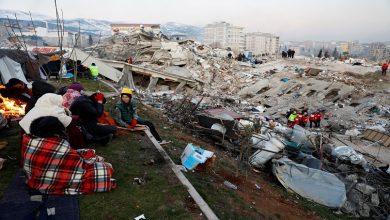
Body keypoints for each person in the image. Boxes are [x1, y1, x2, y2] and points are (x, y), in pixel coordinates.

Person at [22, 116, 116, 195]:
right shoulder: (57, 145)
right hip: (53, 179)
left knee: (88, 153)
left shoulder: (29, 140)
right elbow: (77, 164)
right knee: (107, 167)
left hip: (34, 176)